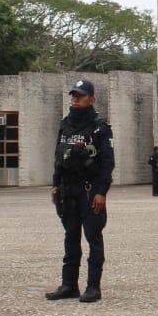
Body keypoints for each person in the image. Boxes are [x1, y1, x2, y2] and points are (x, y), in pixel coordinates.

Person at [46, 79, 115, 304]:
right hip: (68, 190)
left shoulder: (100, 127)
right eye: (74, 95)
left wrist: (101, 192)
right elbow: (58, 156)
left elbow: (107, 163)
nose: (75, 99)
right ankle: (69, 285)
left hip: (89, 190)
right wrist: (55, 184)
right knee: (70, 238)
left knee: (93, 238)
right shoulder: (65, 124)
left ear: (91, 98)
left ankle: (93, 287)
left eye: (81, 95)